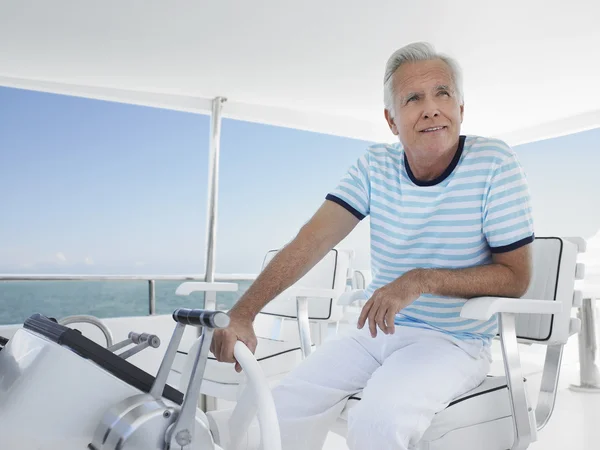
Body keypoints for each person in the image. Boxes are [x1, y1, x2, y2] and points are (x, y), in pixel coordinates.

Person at [210, 42, 534, 449]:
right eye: (413, 98)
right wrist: (243, 313)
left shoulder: (494, 163)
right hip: (374, 333)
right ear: (392, 120)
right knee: (277, 411)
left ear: (461, 107)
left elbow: (516, 277)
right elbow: (311, 241)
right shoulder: (373, 166)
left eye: (443, 93)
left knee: (377, 423)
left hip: (454, 340)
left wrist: (420, 280)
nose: (431, 108)